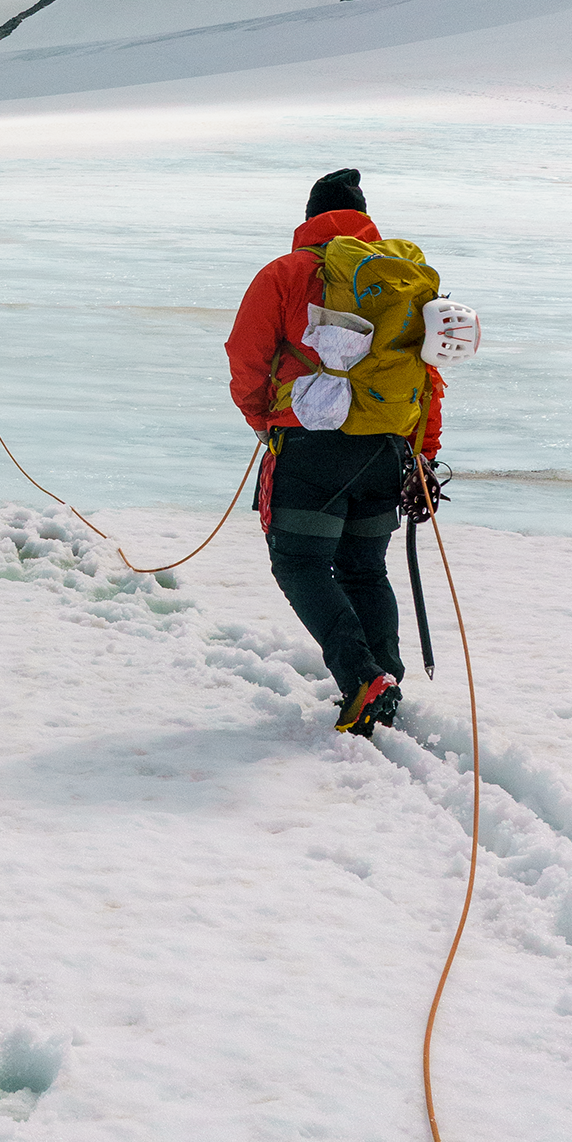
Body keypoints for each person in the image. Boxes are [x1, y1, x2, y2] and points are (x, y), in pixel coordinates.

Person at [225, 166, 444, 737]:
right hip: (388, 449)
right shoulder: (401, 281)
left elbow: (246, 356)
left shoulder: (288, 272)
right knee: (364, 568)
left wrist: (263, 418)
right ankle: (384, 679)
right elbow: (428, 378)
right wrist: (423, 453)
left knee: (298, 562)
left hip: (311, 446)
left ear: (308, 219)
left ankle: (363, 677)